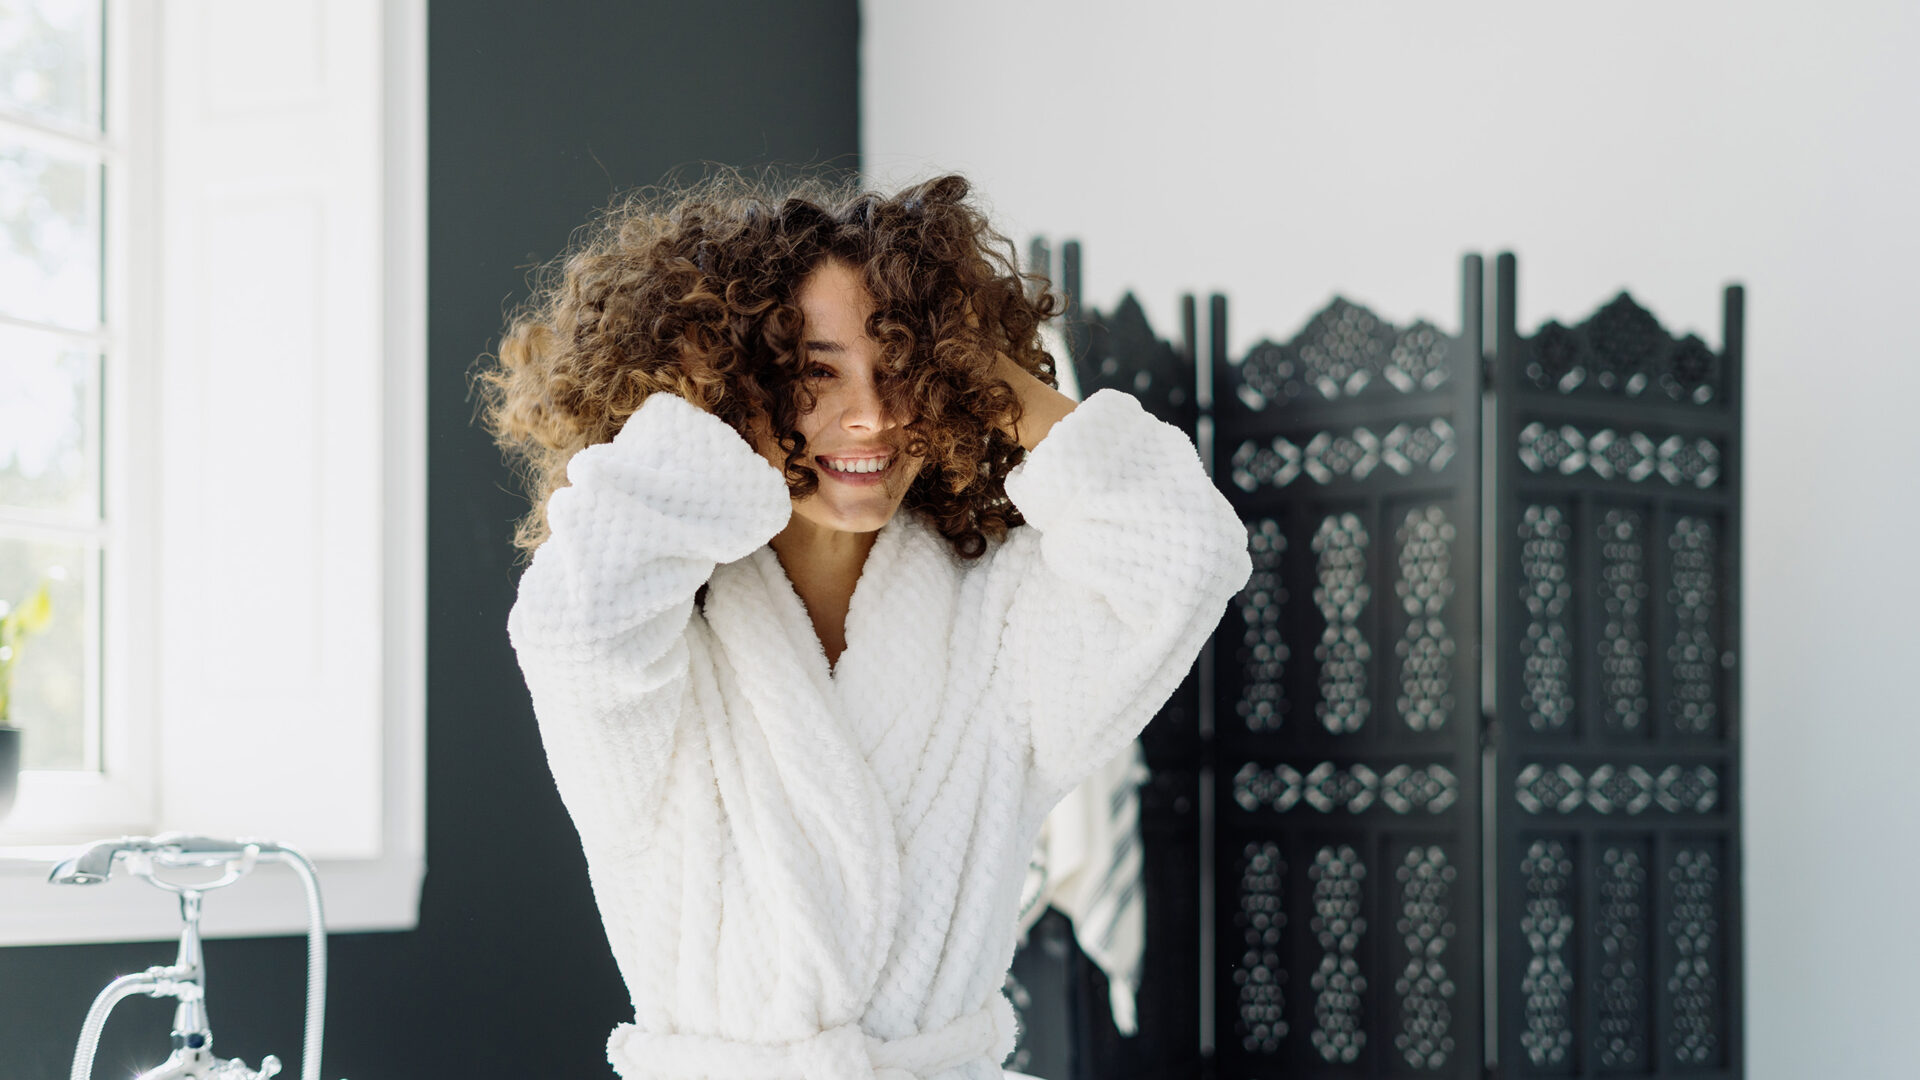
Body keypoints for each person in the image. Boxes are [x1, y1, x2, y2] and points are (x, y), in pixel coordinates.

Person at [478, 171, 1251, 1080]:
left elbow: (1183, 557)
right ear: (738, 387)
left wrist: (980, 371)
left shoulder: (999, 616)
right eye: (816, 372)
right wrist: (719, 411)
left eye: (902, 368)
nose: (873, 416)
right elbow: (572, 629)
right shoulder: (659, 630)